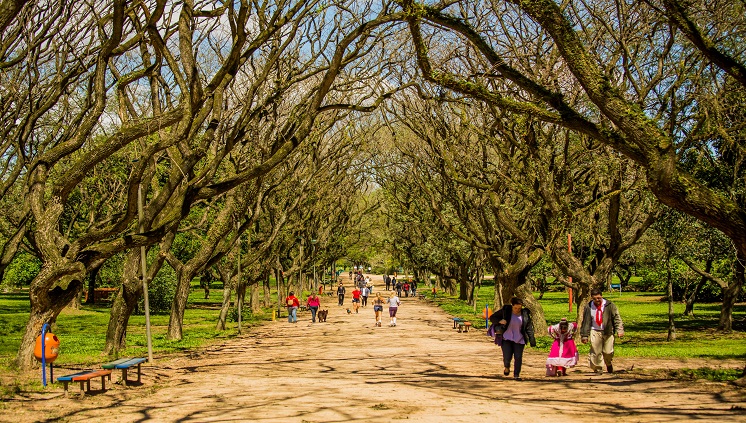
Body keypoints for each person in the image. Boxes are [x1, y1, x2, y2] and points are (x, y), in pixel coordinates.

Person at [580, 288, 625, 374]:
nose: (597, 300)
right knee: (596, 352)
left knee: (608, 352)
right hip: (595, 330)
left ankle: (608, 363)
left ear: (602, 296)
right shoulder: (588, 306)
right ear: (592, 298)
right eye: (594, 298)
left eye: (599, 298)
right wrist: (584, 335)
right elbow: (586, 322)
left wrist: (620, 330)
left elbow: (617, 318)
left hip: (608, 331)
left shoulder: (610, 305)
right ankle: (598, 368)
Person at [493, 297, 536, 380]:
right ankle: (507, 367)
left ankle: (516, 374)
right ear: (512, 306)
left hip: (519, 339)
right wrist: (500, 321)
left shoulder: (525, 314)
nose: (517, 310)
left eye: (519, 308)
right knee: (507, 356)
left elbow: (529, 327)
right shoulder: (506, 311)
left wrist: (532, 339)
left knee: (518, 357)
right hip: (507, 338)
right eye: (515, 308)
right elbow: (493, 317)